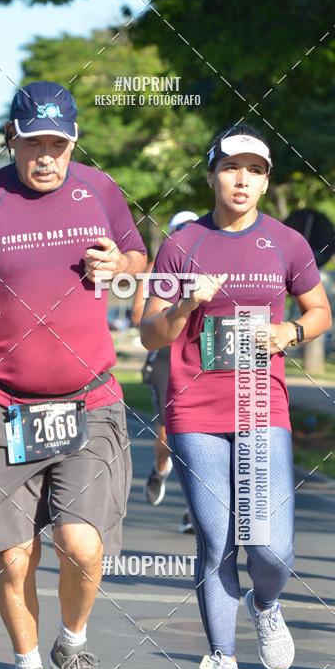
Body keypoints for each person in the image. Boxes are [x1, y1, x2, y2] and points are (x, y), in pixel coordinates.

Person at [0, 81, 147, 669]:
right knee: (14, 552)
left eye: (58, 144)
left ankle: (73, 645)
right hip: (2, 405)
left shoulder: (99, 190)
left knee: (80, 544)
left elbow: (138, 254)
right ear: (12, 140)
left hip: (90, 400)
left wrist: (123, 264)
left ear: (73, 143)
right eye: (34, 144)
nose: (46, 156)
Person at [140, 124, 332, 669]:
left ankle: (266, 603)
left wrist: (288, 332)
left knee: (271, 547)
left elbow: (319, 311)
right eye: (231, 167)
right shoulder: (183, 245)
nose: (242, 179)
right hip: (196, 405)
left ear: (265, 178)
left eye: (255, 169)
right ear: (212, 175)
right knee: (217, 538)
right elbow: (150, 333)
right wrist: (188, 303)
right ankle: (221, 662)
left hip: (260, 401)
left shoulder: (287, 244)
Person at [131, 211, 198, 532]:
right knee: (167, 437)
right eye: (180, 230)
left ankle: (193, 510)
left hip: (199, 355)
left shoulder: (211, 260)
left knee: (199, 436)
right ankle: (160, 468)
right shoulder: (159, 267)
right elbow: (136, 318)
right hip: (164, 357)